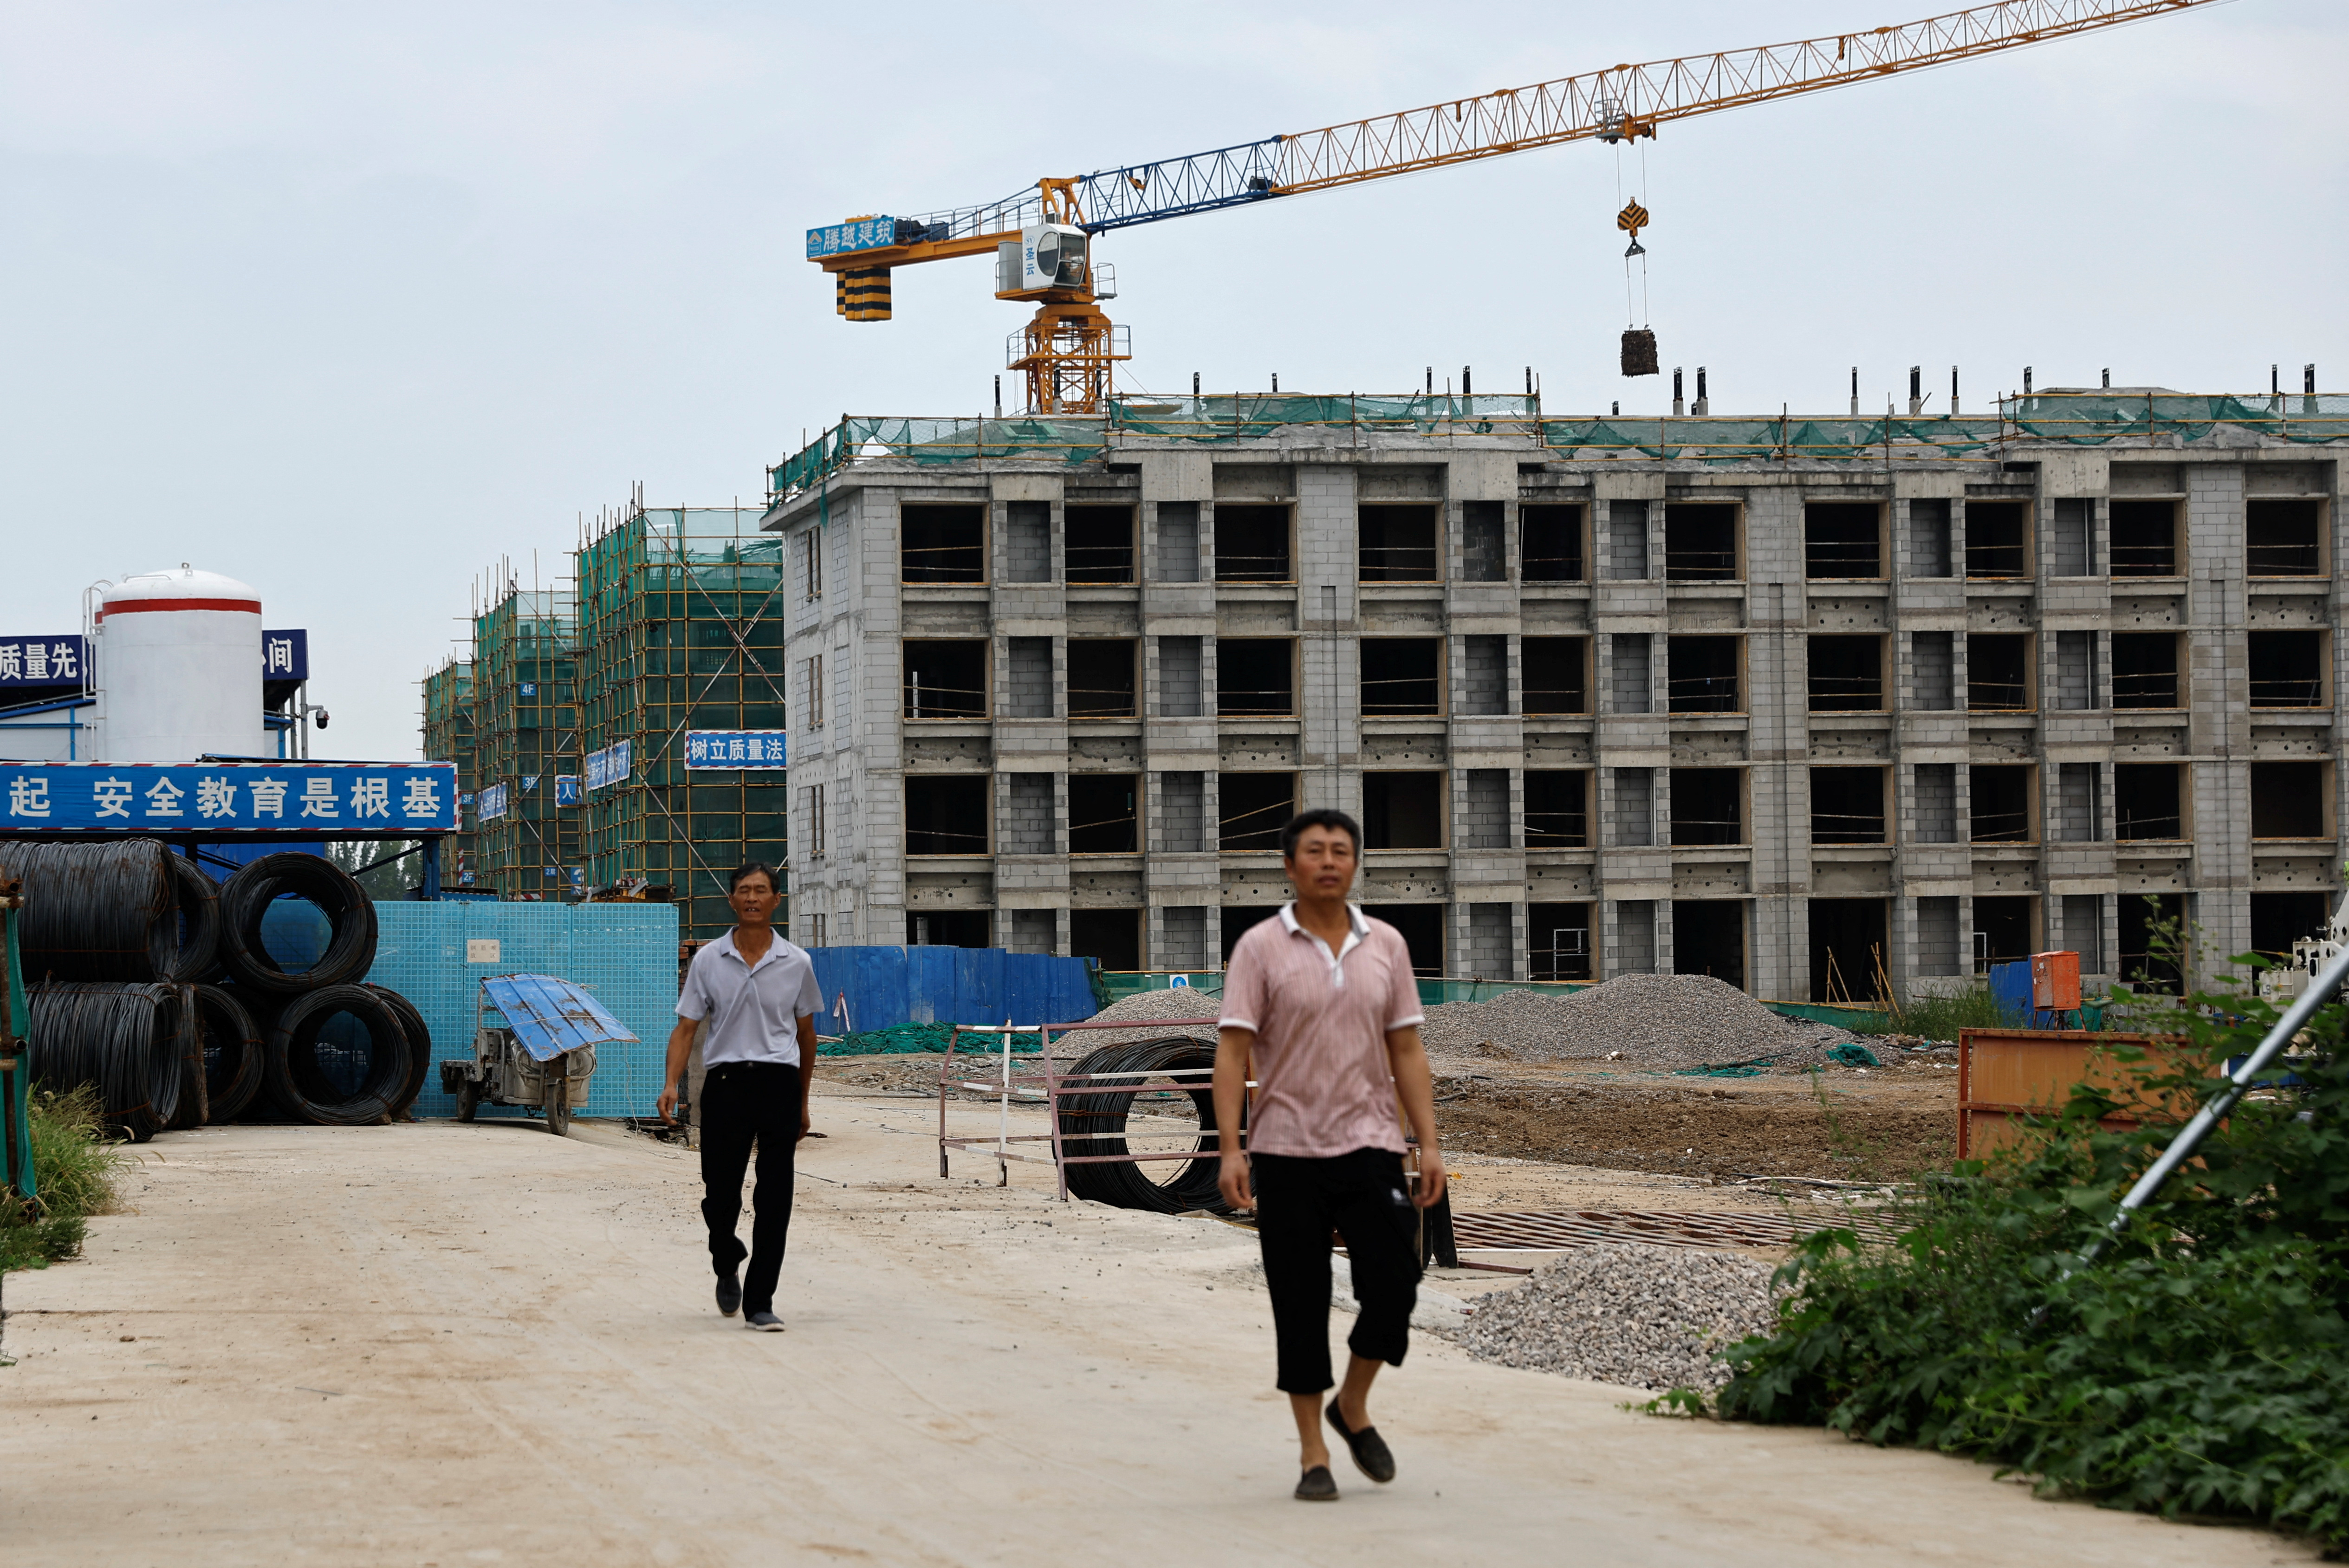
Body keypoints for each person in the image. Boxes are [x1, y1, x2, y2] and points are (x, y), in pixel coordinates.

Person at [1213, 808, 1447, 1502]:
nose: (1328, 861)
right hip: (1284, 1151)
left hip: (1371, 1144)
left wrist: (1427, 1141)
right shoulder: (1260, 948)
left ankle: (1354, 1403)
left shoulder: (1388, 946)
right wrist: (1231, 1147)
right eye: (1313, 850)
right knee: (1300, 1298)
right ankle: (1315, 1452)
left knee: (1397, 1280)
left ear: (1354, 863)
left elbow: (1407, 1048)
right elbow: (1232, 1050)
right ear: (1290, 866)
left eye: (1340, 850)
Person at [659, 862, 822, 1331]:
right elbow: (686, 1027)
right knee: (721, 1193)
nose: (752, 898)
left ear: (776, 900)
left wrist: (804, 1101)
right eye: (744, 891)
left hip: (779, 1085)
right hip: (726, 1085)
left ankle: (760, 1301)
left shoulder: (797, 963)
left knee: (776, 1197)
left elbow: (806, 1034)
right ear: (731, 901)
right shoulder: (709, 960)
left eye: (762, 891)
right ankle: (725, 1257)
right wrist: (672, 1084)